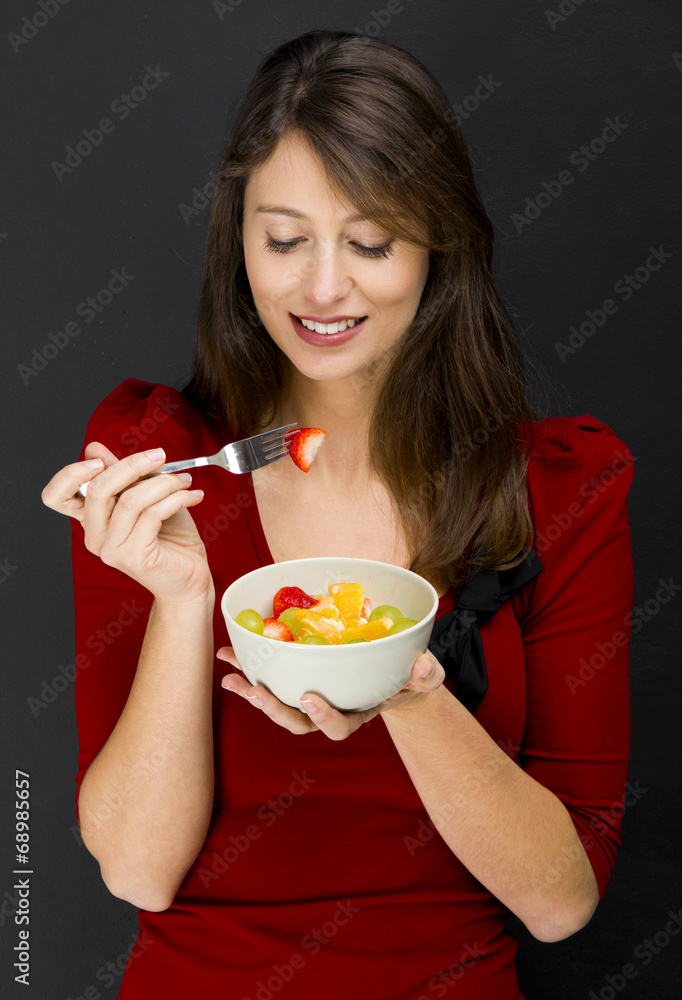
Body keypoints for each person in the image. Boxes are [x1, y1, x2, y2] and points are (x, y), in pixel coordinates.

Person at [41, 29, 634, 1000]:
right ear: (239, 240)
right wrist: (185, 597)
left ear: (440, 244)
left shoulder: (560, 490)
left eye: (370, 242)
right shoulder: (154, 460)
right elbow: (138, 870)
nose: (321, 288)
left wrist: (408, 693)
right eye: (283, 239)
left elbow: (560, 903)